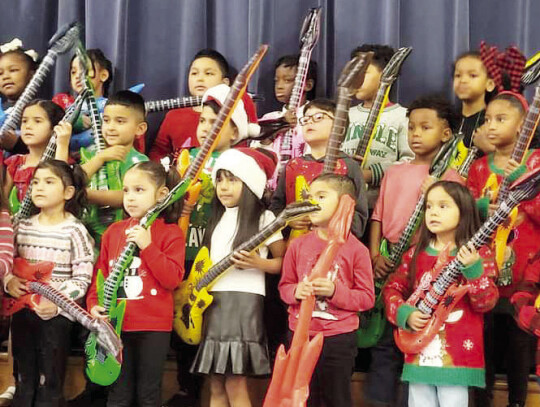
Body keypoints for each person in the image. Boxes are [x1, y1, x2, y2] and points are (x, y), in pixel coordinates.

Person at [367, 95, 463, 407]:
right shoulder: (395, 172)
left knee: (419, 338)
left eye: (425, 127)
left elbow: (456, 223)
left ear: (446, 133)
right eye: (411, 128)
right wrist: (375, 255)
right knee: (385, 342)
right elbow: (378, 216)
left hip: (427, 266)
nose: (416, 133)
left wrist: (436, 188)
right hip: (390, 261)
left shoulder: (450, 177)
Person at [383, 181, 498, 407]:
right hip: (418, 352)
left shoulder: (479, 253)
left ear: (464, 211)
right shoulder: (414, 254)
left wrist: (474, 269)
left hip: (458, 357)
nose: (433, 212)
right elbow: (392, 288)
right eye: (429, 206)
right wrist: (405, 314)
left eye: (443, 206)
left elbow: (487, 302)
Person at [190, 148, 286, 407]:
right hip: (213, 303)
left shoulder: (265, 218)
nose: (224, 187)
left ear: (250, 182)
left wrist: (258, 263)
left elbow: (283, 262)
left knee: (235, 381)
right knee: (216, 382)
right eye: (220, 179)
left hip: (244, 304)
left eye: (232, 179)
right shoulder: (215, 218)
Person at [87, 161, 185, 406]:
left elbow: (172, 279)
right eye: (126, 190)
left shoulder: (170, 233)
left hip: (153, 327)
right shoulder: (113, 232)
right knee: (119, 392)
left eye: (139, 190)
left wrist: (147, 246)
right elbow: (100, 276)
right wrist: (93, 305)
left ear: (162, 194)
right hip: (116, 326)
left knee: (148, 393)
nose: (130, 197)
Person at [467, 91, 540, 407]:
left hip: (526, 271)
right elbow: (465, 210)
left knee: (519, 341)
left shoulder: (536, 162)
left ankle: (518, 401)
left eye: (501, 119)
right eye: (487, 120)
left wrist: (521, 179)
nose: (491, 126)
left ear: (525, 124)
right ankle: (480, 400)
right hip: (485, 272)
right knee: (485, 339)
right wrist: (484, 205)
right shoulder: (480, 166)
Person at [279, 173, 375, 407]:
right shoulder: (297, 245)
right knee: (302, 397)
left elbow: (366, 298)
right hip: (300, 333)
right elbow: (284, 287)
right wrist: (296, 292)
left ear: (345, 203)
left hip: (337, 338)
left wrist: (335, 291)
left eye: (321, 196)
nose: (312, 202)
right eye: (310, 197)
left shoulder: (357, 250)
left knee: (335, 397)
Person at [5, 160, 94, 406]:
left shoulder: (75, 231)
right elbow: (6, 262)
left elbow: (82, 278)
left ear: (68, 192)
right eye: (35, 182)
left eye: (48, 182)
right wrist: (9, 281)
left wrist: (56, 305)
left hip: (56, 317)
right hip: (23, 311)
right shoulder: (20, 226)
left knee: (50, 379)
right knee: (24, 375)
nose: (39, 188)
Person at [270, 98, 369, 241]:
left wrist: (328, 221)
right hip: (293, 249)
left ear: (339, 126)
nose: (309, 121)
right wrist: (288, 221)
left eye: (318, 117)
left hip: (333, 249)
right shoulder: (292, 166)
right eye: (305, 119)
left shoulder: (349, 166)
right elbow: (275, 209)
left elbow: (359, 217)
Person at [340, 44, 414, 209]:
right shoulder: (344, 115)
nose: (356, 79)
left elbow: (410, 161)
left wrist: (371, 174)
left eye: (364, 73)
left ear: (386, 75)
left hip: (382, 206)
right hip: (342, 204)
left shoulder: (404, 116)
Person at [81, 90, 149, 241]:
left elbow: (127, 197)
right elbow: (75, 180)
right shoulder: (93, 155)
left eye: (120, 121)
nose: (110, 127)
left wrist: (88, 195)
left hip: (120, 238)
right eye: (106, 120)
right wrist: (99, 159)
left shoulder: (139, 161)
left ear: (140, 129)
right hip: (86, 236)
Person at [149, 49, 231, 161]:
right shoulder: (174, 116)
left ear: (225, 83)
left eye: (208, 73)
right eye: (194, 73)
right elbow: (158, 152)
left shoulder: (232, 116)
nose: (200, 79)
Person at [251, 54, 318, 188]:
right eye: (277, 81)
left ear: (308, 85)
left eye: (287, 80)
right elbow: (256, 153)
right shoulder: (269, 118)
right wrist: (279, 125)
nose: (279, 86)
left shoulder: (315, 117)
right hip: (270, 189)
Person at [4, 100, 71, 213]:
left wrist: (62, 144)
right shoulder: (15, 163)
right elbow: (4, 200)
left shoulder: (60, 159)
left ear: (54, 128)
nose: (28, 126)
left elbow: (60, 178)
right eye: (24, 121)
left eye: (37, 121)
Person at [0, 38, 39, 154]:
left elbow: (45, 145)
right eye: (0, 73)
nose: (5, 77)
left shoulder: (39, 108)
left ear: (31, 75)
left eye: (13, 70)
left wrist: (17, 144)